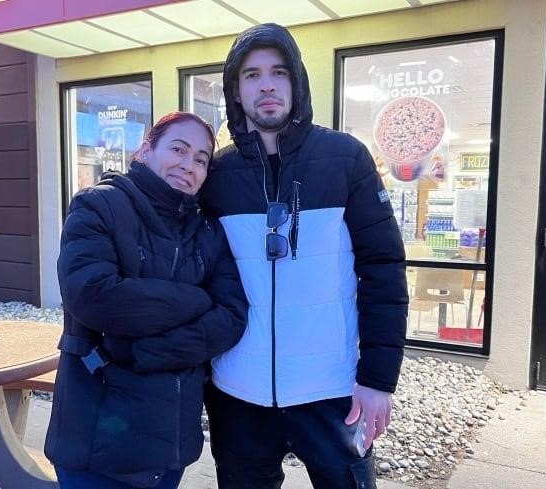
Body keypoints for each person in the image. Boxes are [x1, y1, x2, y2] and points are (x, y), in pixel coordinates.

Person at [199, 23, 408, 488]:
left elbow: (383, 272)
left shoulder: (345, 158)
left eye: (278, 72)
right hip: (238, 392)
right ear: (236, 91)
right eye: (251, 75)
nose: (267, 84)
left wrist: (378, 380)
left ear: (297, 81)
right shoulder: (216, 174)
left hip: (332, 390)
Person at [45, 112, 248, 489]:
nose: (189, 165)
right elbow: (93, 296)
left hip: (170, 447)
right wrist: (199, 299)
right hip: (96, 447)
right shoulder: (98, 206)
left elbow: (232, 317)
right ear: (145, 151)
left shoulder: (207, 231)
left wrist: (143, 352)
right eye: (178, 149)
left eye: (201, 159)